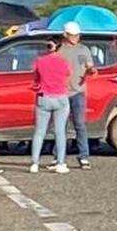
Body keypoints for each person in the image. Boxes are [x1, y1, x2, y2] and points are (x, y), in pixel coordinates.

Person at [30, 37, 72, 174]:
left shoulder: (39, 60)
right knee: (60, 132)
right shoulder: (64, 61)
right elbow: (67, 76)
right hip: (60, 96)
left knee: (39, 132)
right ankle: (60, 162)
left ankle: (34, 163)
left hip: (44, 96)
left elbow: (35, 78)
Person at [58, 22, 97, 169]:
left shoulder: (84, 49)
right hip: (61, 92)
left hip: (78, 92)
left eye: (77, 35)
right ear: (65, 35)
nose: (76, 37)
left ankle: (83, 156)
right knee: (60, 126)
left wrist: (91, 70)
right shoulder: (59, 50)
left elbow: (90, 66)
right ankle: (59, 157)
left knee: (80, 125)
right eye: (73, 35)